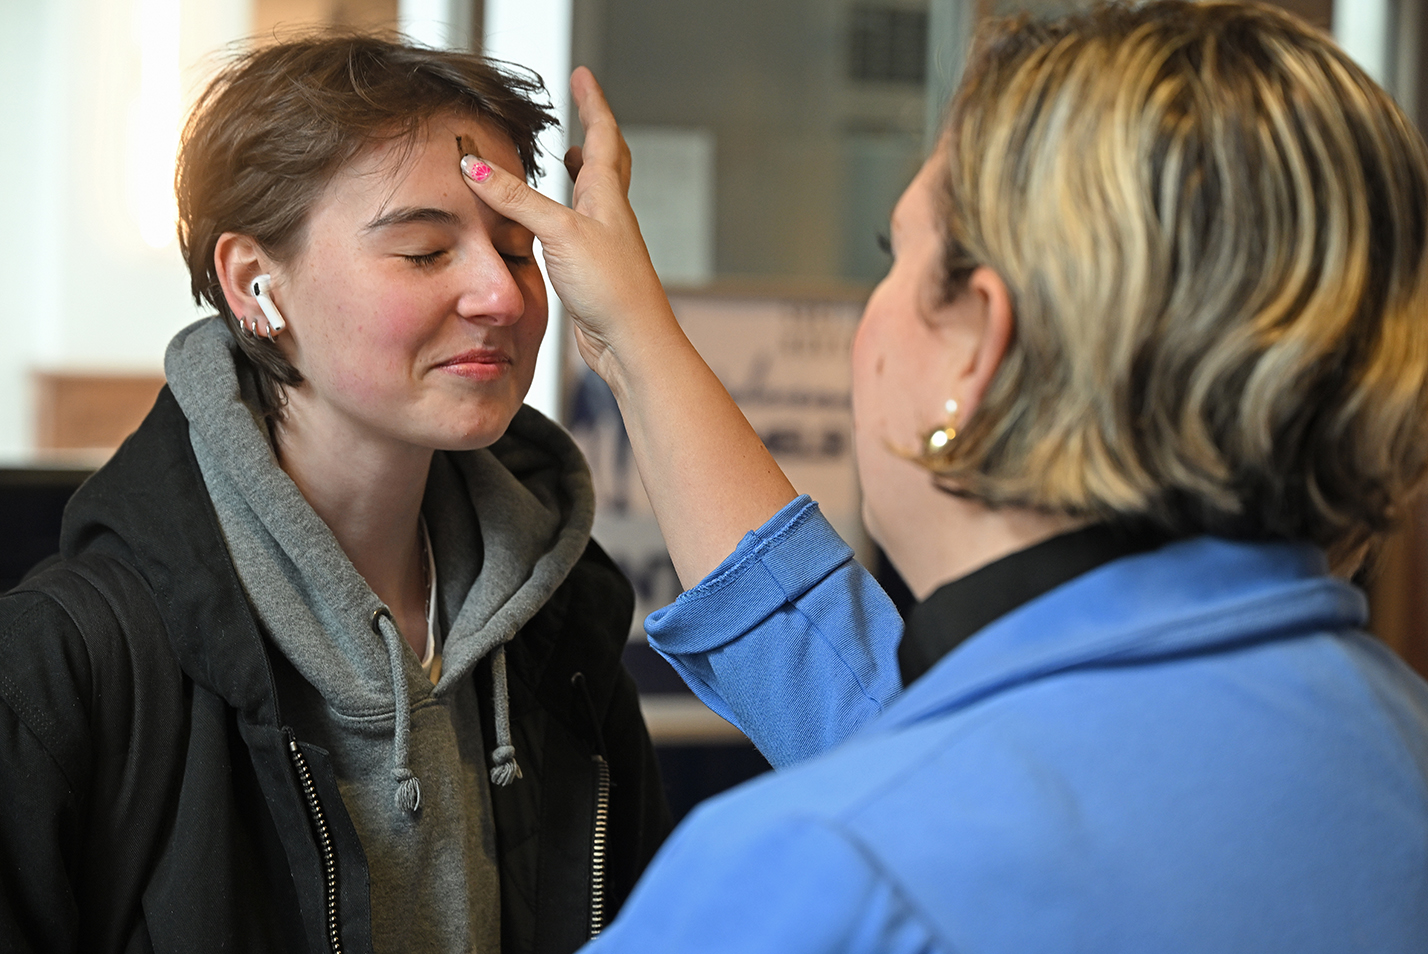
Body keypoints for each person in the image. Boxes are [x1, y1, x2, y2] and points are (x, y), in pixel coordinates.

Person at [462, 2, 1428, 950]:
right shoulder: (1384, 743)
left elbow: (912, 812)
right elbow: (882, 711)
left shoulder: (828, 877)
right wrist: (634, 337)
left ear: (977, 343)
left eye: (896, 254)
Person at [0, 35, 669, 954]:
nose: (500, 297)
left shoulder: (566, 623)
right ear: (254, 284)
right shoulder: (65, 665)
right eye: (427, 251)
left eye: (517, 251)